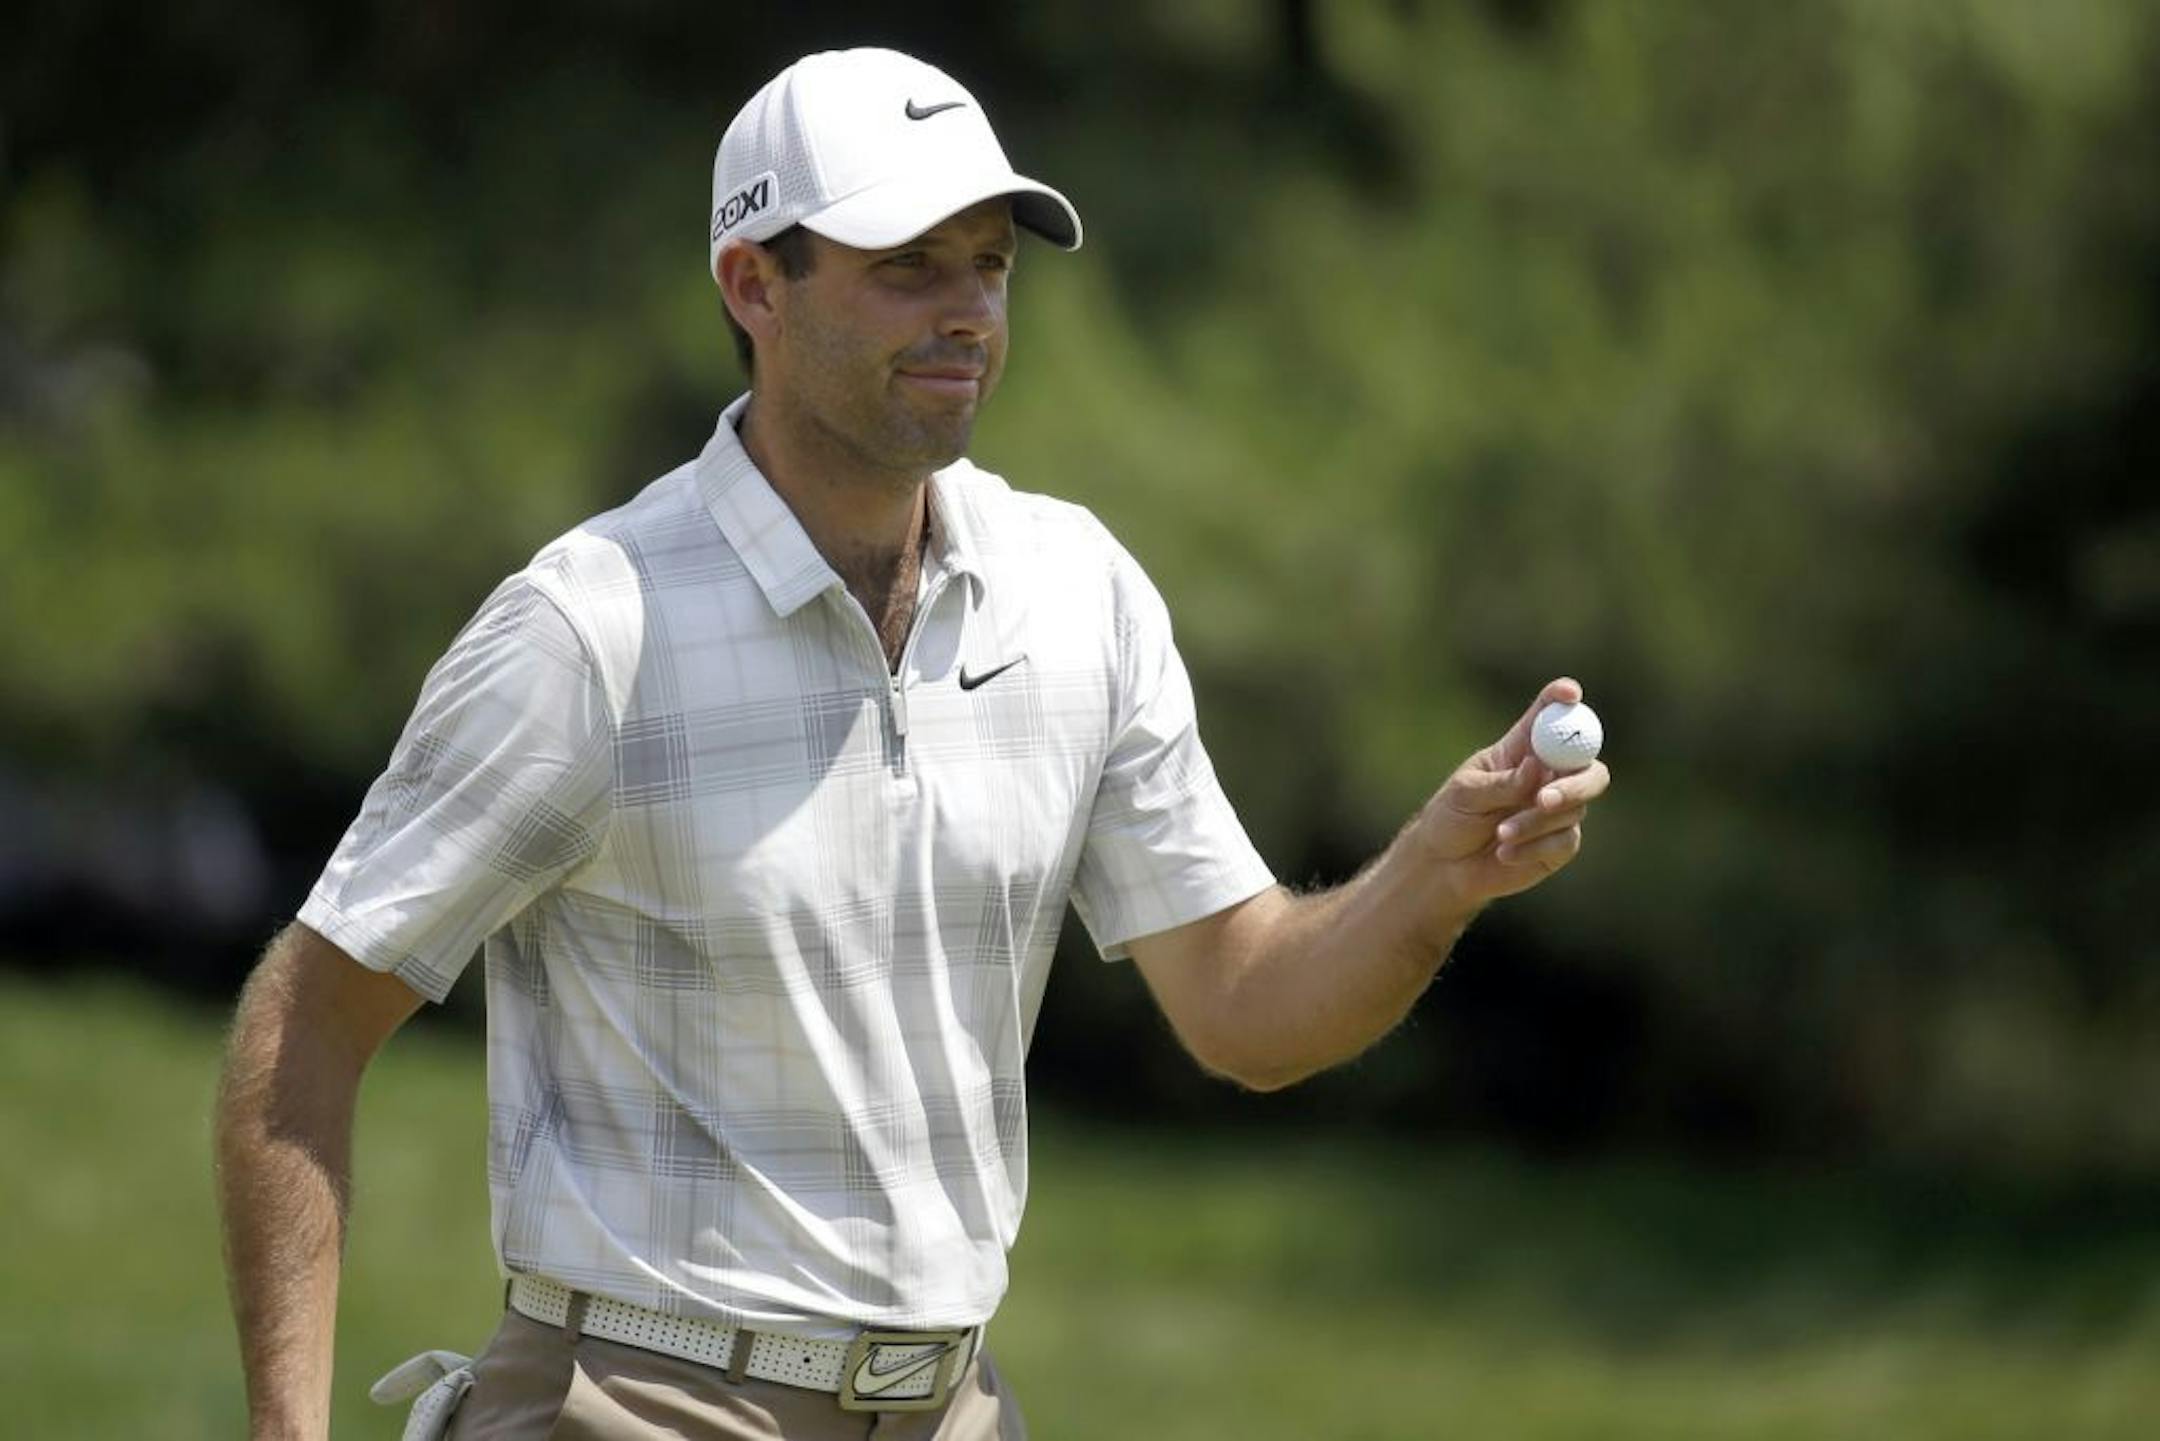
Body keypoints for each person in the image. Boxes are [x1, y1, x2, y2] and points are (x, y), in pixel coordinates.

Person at [214, 46, 1610, 1441]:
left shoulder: (1078, 593)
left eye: (990, 266)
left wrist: (1432, 879)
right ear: (753, 285)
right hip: (633, 1403)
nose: (968, 314)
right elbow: (306, 1023)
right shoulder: (590, 631)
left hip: (952, 1409)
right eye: (908, 268)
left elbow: (1243, 1009)